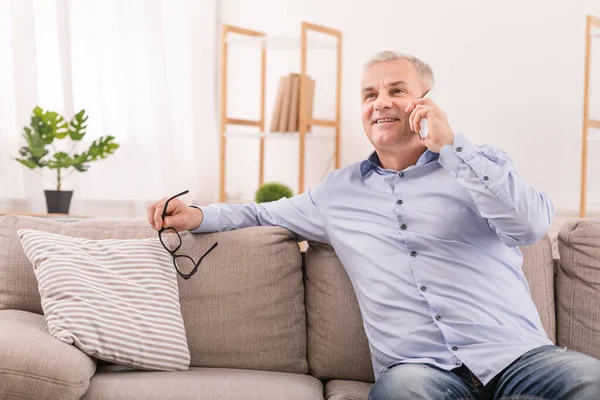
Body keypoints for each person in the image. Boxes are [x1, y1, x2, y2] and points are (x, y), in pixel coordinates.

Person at [148, 51, 600, 399]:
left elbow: (530, 226)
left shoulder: (479, 165)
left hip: (517, 356)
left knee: (589, 380)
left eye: (396, 90)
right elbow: (263, 212)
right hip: (417, 373)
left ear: (426, 103)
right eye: (369, 95)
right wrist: (199, 215)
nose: (380, 102)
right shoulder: (337, 193)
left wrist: (452, 148)